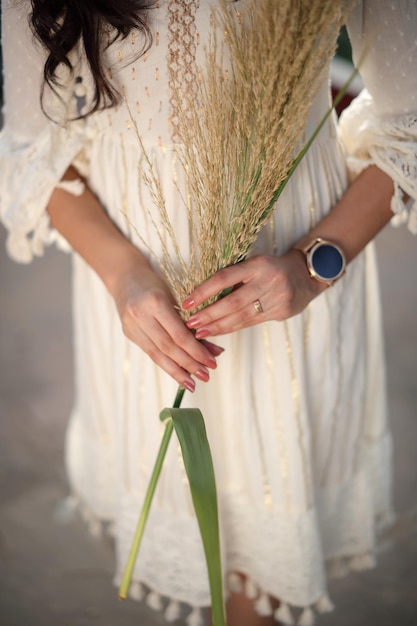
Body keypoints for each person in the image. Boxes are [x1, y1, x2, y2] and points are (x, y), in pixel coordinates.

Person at [1, 1, 416, 625]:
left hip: (289, 265)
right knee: (184, 514)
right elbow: (35, 149)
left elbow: (410, 122)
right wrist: (123, 275)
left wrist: (309, 267)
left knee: (260, 565)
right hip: (136, 292)